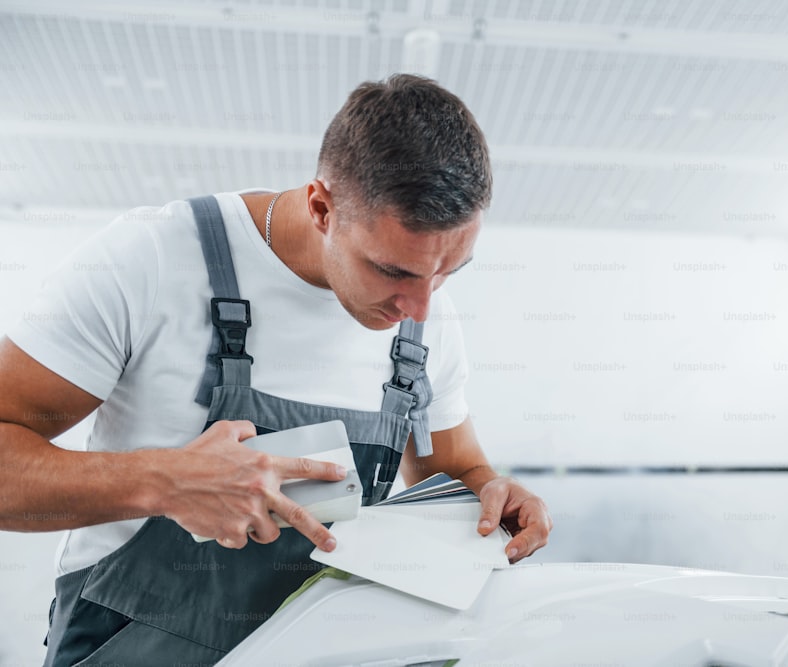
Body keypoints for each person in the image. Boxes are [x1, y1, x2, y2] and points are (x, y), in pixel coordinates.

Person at [0, 73, 552, 665]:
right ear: (321, 207)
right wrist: (165, 481)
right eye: (393, 271)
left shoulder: (425, 316)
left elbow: (453, 468)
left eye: (449, 273)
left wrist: (491, 496)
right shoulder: (153, 257)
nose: (418, 307)